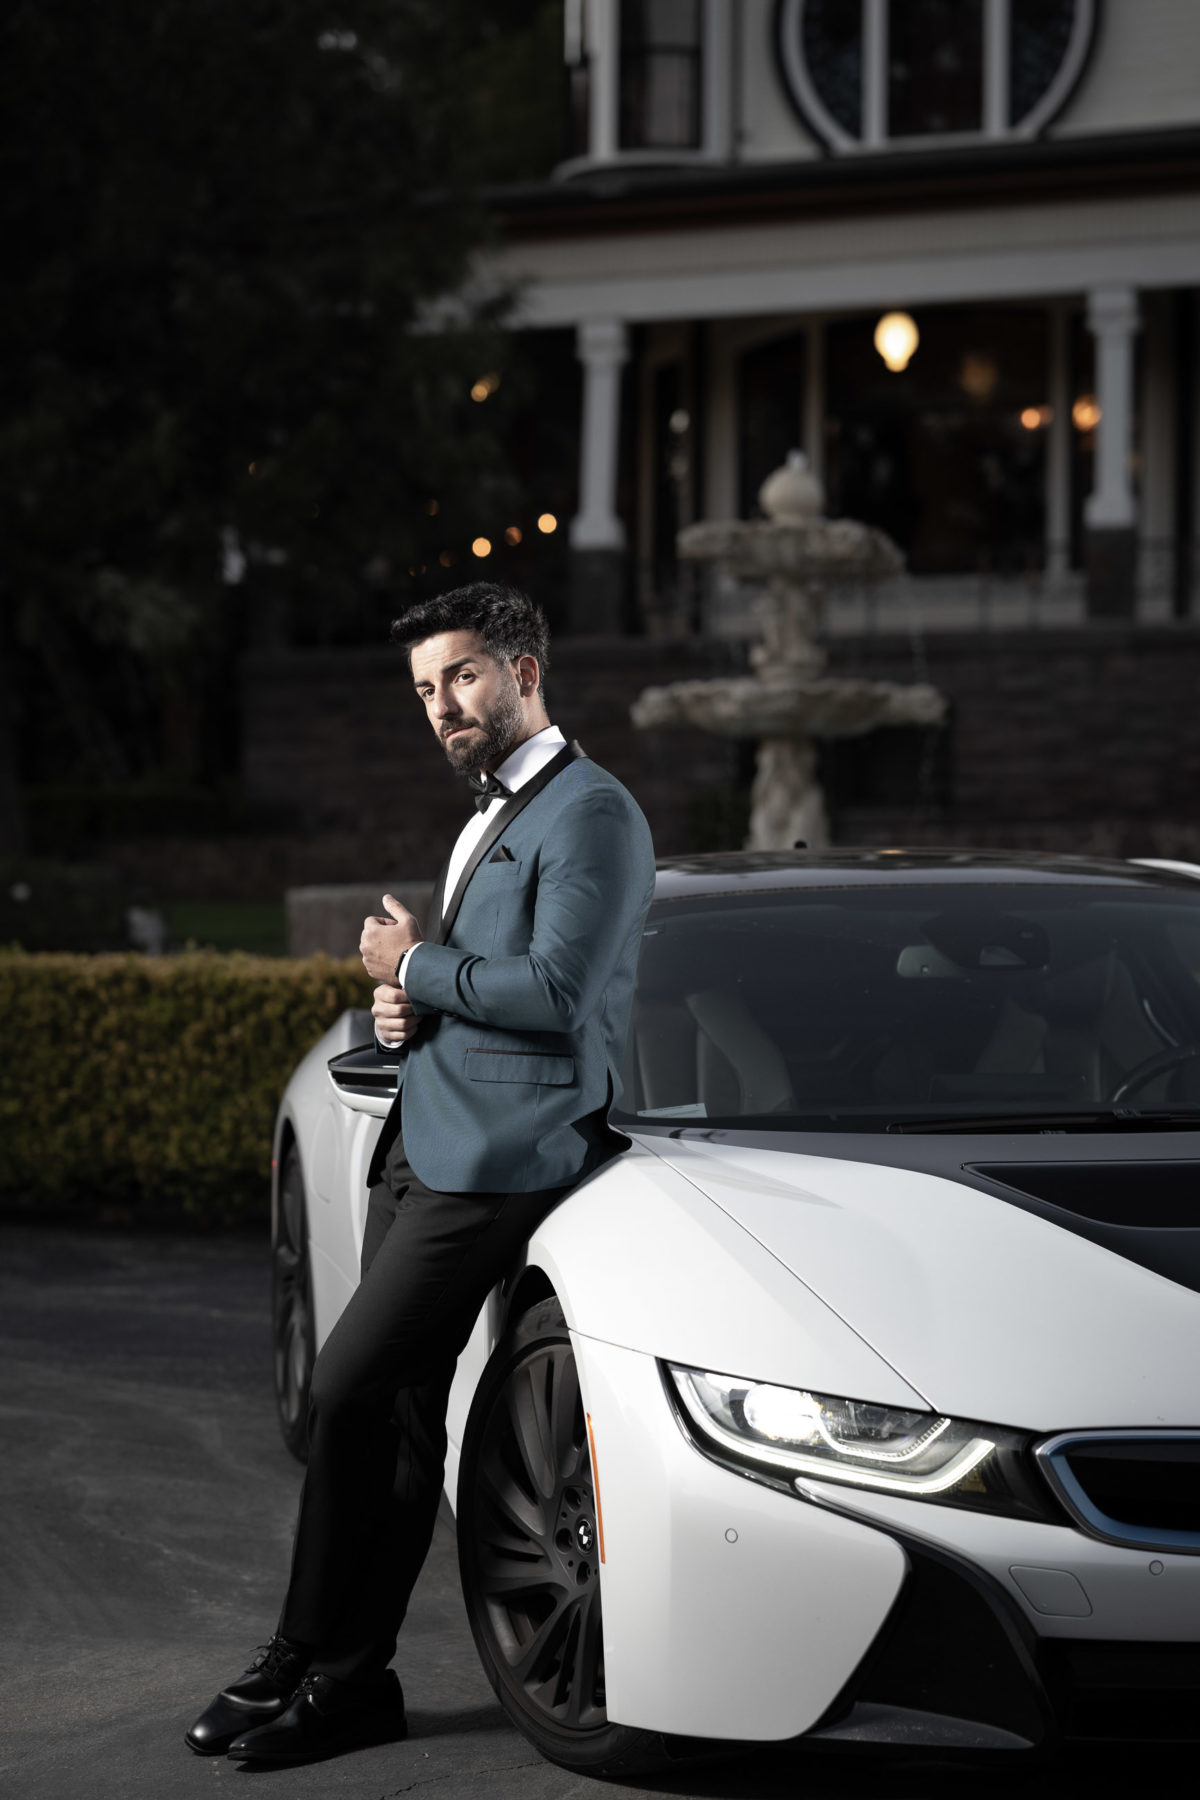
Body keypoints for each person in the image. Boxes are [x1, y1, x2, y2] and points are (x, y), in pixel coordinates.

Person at [186, 582, 655, 1765]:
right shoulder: (491, 810)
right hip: (428, 1144)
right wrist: (406, 1010)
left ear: (524, 672)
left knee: (343, 1392)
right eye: (424, 688)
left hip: (503, 1163)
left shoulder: (590, 812)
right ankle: (346, 1681)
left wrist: (420, 960)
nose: (442, 705)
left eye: (460, 677)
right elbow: (483, 987)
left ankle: (302, 1649)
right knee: (391, 1416)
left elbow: (558, 995)